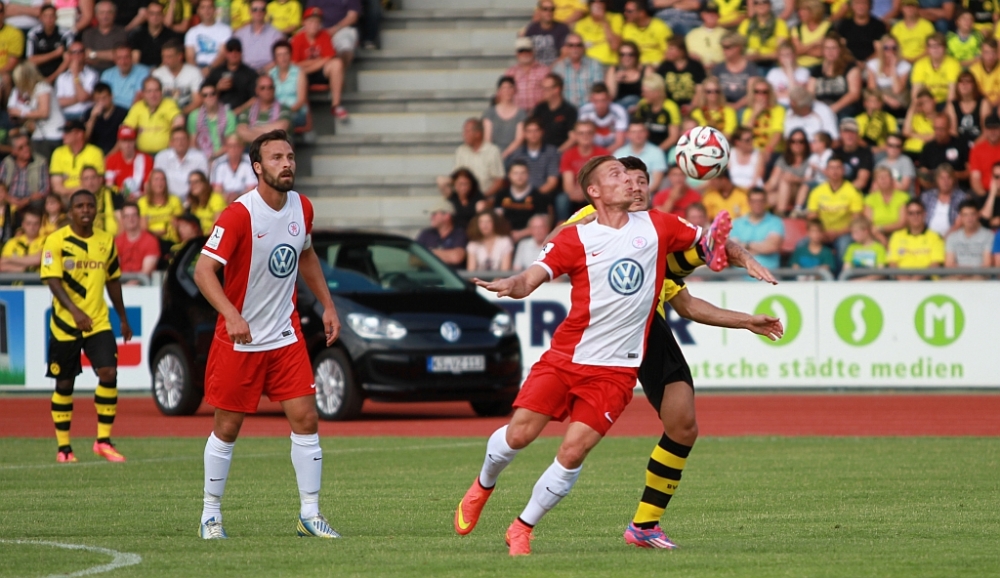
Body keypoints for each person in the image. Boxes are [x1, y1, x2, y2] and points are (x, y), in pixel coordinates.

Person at [455, 155, 745, 556]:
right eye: (617, 174)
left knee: (573, 452)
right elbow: (531, 277)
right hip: (567, 357)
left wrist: (726, 251)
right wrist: (513, 284)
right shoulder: (575, 237)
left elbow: (708, 245)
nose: (629, 180)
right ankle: (483, 484)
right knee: (519, 434)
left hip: (616, 371)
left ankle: (522, 528)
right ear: (594, 192)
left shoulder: (659, 224)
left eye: (630, 175)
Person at [192, 129, 341, 540]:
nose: (287, 163)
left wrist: (327, 305)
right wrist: (231, 314)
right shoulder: (239, 215)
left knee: (306, 418)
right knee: (227, 428)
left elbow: (306, 255)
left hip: (284, 336)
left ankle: (310, 515)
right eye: (276, 158)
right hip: (240, 341)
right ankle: (210, 515)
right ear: (257, 167)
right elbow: (203, 271)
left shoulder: (302, 207)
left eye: (290, 156)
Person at [41, 189, 131, 464]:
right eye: (79, 206)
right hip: (65, 324)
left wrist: (123, 317)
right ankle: (64, 448)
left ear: (96, 210)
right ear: (70, 211)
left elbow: (113, 280)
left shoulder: (106, 241)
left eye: (90, 205)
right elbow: (53, 280)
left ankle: (103, 441)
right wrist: (74, 311)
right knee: (65, 382)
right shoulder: (56, 240)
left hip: (98, 322)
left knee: (108, 371)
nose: (85, 210)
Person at [290, 7, 347, 120]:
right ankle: (297, 109)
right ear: (304, 23)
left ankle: (336, 105)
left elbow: (330, 58)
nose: (314, 25)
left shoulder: (324, 35)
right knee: (296, 72)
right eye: (311, 21)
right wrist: (319, 61)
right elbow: (294, 64)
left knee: (337, 63)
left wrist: (308, 66)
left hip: (317, 72)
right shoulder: (298, 38)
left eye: (317, 22)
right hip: (302, 75)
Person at [806, 157, 864, 259]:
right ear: (826, 171)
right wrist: (821, 232)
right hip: (822, 232)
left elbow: (856, 221)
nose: (834, 171)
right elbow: (812, 218)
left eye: (838, 168)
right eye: (831, 168)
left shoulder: (853, 192)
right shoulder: (817, 192)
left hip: (844, 233)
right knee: (802, 244)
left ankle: (841, 270)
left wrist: (837, 233)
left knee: (843, 246)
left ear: (843, 170)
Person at [8, 61, 65, 160]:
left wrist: (20, 113)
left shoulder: (42, 87)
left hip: (53, 133)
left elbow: (44, 112)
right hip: (40, 133)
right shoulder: (30, 92)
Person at [558, 120, 609, 220]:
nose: (585, 136)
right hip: (574, 194)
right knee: (562, 199)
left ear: (594, 134)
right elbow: (568, 184)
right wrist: (575, 193)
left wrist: (585, 192)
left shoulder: (603, 154)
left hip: (595, 192)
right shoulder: (568, 154)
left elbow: (604, 181)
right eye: (581, 133)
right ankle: (563, 225)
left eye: (589, 133)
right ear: (575, 135)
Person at [123, 76, 184, 156]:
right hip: (141, 154)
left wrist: (172, 137)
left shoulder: (169, 104)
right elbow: (126, 129)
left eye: (156, 90)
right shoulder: (137, 107)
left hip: (165, 154)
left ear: (161, 92)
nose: (153, 95)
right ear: (143, 93)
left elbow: (179, 120)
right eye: (149, 91)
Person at [494, 161, 551, 243]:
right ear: (509, 175)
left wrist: (520, 234)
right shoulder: (501, 195)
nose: (519, 177)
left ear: (528, 174)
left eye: (523, 173)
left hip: (531, 238)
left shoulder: (538, 196)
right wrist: (507, 234)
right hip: (505, 237)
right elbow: (497, 220)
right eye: (515, 173)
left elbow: (543, 224)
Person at [808, 32, 861, 119]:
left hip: (843, 109)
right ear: (823, 50)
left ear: (840, 49)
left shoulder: (850, 67)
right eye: (827, 48)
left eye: (833, 48)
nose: (830, 52)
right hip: (821, 110)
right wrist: (820, 110)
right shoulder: (817, 70)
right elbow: (810, 94)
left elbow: (854, 94)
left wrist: (832, 109)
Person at [887, 198, 944, 279]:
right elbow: (892, 263)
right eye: (911, 213)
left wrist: (916, 279)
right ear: (906, 216)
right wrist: (902, 278)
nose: (915, 216)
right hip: (901, 280)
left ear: (924, 214)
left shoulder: (935, 237)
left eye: (918, 212)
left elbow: (935, 264)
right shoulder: (896, 236)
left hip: (927, 279)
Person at [50, 120, 104, 202]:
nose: (63, 135)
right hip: (64, 198)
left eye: (68, 132)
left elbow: (97, 183)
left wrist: (75, 194)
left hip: (88, 196)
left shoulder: (95, 153)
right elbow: (57, 187)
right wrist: (74, 193)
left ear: (80, 134)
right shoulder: (58, 153)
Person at [730, 187, 783, 270]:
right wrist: (761, 247)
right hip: (739, 274)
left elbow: (772, 246)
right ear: (748, 202)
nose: (757, 204)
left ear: (766, 202)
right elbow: (733, 249)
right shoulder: (737, 223)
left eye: (760, 201)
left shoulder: (776, 222)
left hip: (768, 274)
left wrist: (746, 245)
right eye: (754, 201)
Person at [451, 118, 506, 200]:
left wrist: (483, 197)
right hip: (464, 198)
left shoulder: (493, 151)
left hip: (485, 198)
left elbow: (499, 180)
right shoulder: (460, 151)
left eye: (467, 131)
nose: (464, 135)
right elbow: (455, 177)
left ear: (478, 134)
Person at [154, 127, 210, 203]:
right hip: (168, 201)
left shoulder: (200, 157)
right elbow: (157, 182)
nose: (180, 142)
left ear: (189, 141)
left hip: (194, 200)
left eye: (183, 139)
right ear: (171, 143)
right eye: (177, 139)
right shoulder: (161, 157)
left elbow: (203, 183)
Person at [549, 33, 605, 109]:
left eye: (578, 45)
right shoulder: (558, 68)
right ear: (566, 47)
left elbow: (598, 90)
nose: (575, 48)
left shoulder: (594, 65)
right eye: (571, 45)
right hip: (566, 110)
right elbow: (554, 93)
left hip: (589, 109)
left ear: (583, 47)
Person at [632, 72, 682, 154]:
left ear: (656, 92)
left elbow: (673, 137)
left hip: (664, 150)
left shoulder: (671, 108)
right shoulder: (642, 105)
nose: (642, 94)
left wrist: (655, 152)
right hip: (644, 147)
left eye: (646, 92)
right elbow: (637, 127)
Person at [204, 38, 258, 113]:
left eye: (237, 50)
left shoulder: (250, 73)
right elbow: (203, 94)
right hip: (218, 112)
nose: (234, 53)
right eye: (230, 50)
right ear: (226, 53)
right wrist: (217, 89)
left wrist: (237, 111)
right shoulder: (216, 72)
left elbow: (255, 98)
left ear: (241, 53)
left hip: (242, 113)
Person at [0, 133, 50, 215]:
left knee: (38, 203)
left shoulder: (41, 162)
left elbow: (45, 189)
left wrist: (27, 200)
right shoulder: (6, 162)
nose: (26, 149)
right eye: (21, 148)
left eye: (27, 145)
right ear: (14, 151)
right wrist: (9, 199)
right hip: (10, 199)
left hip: (31, 201)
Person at [654, 38, 706, 116]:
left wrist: (692, 106)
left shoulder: (695, 66)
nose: (667, 51)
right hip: (670, 106)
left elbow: (699, 89)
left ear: (681, 51)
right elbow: (659, 89)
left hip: (692, 106)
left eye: (671, 49)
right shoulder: (665, 66)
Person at [944, 199, 993, 278]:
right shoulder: (952, 237)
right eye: (965, 215)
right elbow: (949, 264)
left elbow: (987, 264)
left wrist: (968, 272)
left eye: (972, 214)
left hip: (980, 276)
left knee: (977, 279)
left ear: (978, 215)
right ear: (960, 217)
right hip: (957, 276)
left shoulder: (988, 235)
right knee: (944, 282)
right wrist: (963, 273)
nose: (969, 218)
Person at [153, 39, 204, 115]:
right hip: (163, 114)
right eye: (163, 56)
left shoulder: (194, 72)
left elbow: (198, 101)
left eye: (169, 57)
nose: (165, 60)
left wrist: (178, 114)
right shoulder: (157, 74)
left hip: (187, 113)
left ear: (180, 56)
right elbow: (152, 99)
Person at [236, 76, 291, 144]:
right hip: (252, 149)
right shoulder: (247, 111)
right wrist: (270, 134)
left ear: (274, 89)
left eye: (270, 87)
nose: (267, 91)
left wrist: (253, 129)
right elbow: (241, 132)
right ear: (257, 90)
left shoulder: (284, 109)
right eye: (263, 88)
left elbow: (281, 128)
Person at [866, 35, 911, 119]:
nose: (890, 51)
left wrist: (893, 68)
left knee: (898, 105)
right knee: (874, 101)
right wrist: (887, 99)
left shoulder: (905, 65)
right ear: (881, 49)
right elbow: (872, 88)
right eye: (886, 48)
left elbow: (897, 90)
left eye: (894, 48)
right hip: (880, 97)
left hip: (898, 99)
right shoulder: (873, 64)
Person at [305, 0, 362, 68]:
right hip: (319, 26)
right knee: (297, 38)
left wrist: (334, 29)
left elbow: (352, 16)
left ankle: (339, 72)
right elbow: (311, 13)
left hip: (343, 28)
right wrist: (318, 29)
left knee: (346, 47)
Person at [613, 121, 667, 193]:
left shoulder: (657, 152)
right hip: (624, 194)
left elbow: (657, 182)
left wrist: (640, 194)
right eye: (634, 132)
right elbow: (616, 179)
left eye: (641, 131)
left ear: (647, 133)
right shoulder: (619, 153)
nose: (637, 135)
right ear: (628, 134)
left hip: (649, 194)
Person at [188, 81, 236, 160]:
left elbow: (229, 143)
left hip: (224, 156)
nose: (209, 97)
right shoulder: (193, 116)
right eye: (205, 95)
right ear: (201, 97)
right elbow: (193, 143)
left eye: (212, 94)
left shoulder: (229, 115)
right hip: (201, 157)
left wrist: (213, 157)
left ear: (217, 95)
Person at [26, 5, 73, 84]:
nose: (49, 19)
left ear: (56, 17)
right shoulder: (33, 34)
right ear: (41, 18)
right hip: (38, 74)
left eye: (51, 16)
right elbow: (31, 60)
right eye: (45, 16)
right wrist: (55, 54)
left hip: (60, 75)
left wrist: (52, 78)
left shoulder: (65, 34)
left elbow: (68, 59)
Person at [917, 115, 968, 188]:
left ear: (949, 128)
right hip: (934, 188)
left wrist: (951, 175)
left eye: (941, 129)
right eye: (936, 129)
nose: (938, 132)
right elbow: (923, 174)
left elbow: (969, 172)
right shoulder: (928, 147)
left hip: (958, 188)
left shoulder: (961, 145)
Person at [910, 33, 961, 107]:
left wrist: (947, 110)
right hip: (926, 103)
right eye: (932, 46)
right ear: (927, 49)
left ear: (945, 48)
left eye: (939, 45)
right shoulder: (920, 64)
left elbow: (952, 94)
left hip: (946, 101)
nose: (936, 49)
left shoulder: (953, 64)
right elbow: (915, 93)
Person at [712, 32, 759, 110]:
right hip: (722, 106)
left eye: (727, 47)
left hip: (744, 107)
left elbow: (752, 93)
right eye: (723, 47)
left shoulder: (750, 68)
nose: (724, 50)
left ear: (738, 47)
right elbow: (711, 90)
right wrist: (726, 105)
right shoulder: (719, 68)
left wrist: (737, 105)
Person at [128, 0, 182, 68]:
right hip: (142, 71)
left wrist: (157, 71)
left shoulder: (171, 36)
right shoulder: (137, 35)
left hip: (164, 70)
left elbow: (170, 59)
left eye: (158, 13)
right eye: (152, 13)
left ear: (163, 15)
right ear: (147, 15)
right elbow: (135, 60)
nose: (155, 17)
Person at [483, 76, 527, 161]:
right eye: (504, 88)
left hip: (515, 154)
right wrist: (495, 155)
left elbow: (519, 139)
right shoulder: (490, 112)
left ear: (515, 90)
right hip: (493, 154)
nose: (507, 91)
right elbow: (488, 138)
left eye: (510, 87)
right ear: (499, 91)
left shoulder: (521, 113)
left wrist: (505, 154)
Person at [531, 73, 578, 151]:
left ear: (557, 90)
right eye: (542, 88)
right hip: (540, 152)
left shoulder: (569, 110)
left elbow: (573, 138)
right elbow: (531, 130)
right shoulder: (539, 109)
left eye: (546, 89)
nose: (543, 91)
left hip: (561, 152)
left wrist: (557, 153)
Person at [766, 128, 809, 213]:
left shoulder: (811, 160)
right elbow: (772, 182)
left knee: (784, 181)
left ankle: (780, 214)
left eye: (801, 141)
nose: (797, 144)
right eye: (793, 141)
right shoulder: (783, 159)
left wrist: (795, 179)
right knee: (766, 198)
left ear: (805, 143)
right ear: (789, 144)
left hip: (801, 193)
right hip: (783, 193)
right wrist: (758, 192)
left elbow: (814, 180)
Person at [416, 200, 467, 269]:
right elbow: (413, 259)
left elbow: (456, 257)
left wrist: (428, 252)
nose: (431, 217)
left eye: (434, 214)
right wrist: (447, 255)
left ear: (447, 216)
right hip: (427, 275)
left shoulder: (459, 233)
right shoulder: (426, 234)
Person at [234, 0, 284, 71]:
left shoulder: (276, 34)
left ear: (266, 12)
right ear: (250, 12)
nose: (258, 12)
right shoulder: (240, 34)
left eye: (262, 9)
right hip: (244, 72)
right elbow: (234, 56)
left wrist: (262, 71)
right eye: (255, 9)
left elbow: (280, 58)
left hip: (268, 72)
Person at [919, 164, 967, 238]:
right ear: (937, 180)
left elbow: (959, 224)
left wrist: (944, 239)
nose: (945, 181)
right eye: (942, 178)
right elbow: (919, 219)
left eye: (949, 178)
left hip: (952, 238)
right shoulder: (926, 196)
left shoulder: (962, 197)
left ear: (953, 179)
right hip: (926, 238)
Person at [113, 201, 161, 276]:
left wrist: (130, 283)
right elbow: (114, 270)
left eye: (134, 215)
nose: (130, 219)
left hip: (144, 282)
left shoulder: (151, 241)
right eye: (126, 216)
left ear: (139, 217)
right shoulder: (117, 241)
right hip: (121, 281)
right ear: (122, 219)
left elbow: (145, 273)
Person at [738, 0, 788, 69]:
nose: (760, 5)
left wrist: (761, 57)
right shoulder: (746, 24)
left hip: (771, 63)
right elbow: (739, 46)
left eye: (764, 2)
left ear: (770, 5)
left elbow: (780, 51)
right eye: (756, 3)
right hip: (749, 62)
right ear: (754, 6)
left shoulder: (779, 24)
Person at [54, 40, 97, 122]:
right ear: (69, 55)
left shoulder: (92, 75)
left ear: (84, 54)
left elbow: (83, 97)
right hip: (65, 116)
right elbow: (59, 102)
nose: (77, 55)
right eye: (74, 52)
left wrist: (75, 74)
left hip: (84, 115)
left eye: (80, 51)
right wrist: (80, 97)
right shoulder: (62, 77)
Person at [741, 79, 784, 158]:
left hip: (772, 152)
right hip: (752, 152)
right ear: (753, 94)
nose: (761, 95)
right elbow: (744, 134)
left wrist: (767, 151)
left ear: (769, 94)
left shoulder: (778, 110)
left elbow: (777, 133)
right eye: (757, 92)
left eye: (764, 92)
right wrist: (755, 114)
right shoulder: (748, 111)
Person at [185, 0, 232, 74]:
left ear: (215, 10)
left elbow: (223, 54)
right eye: (203, 7)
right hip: (197, 69)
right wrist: (198, 72)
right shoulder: (192, 32)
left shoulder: (225, 30)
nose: (206, 10)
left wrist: (210, 69)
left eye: (209, 7)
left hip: (218, 68)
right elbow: (189, 57)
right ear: (198, 11)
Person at [865, 166, 909, 244]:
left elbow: (902, 223)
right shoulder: (870, 199)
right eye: (880, 177)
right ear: (875, 182)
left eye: (886, 176)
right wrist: (880, 237)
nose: (883, 179)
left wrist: (881, 228)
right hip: (876, 235)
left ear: (892, 179)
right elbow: (868, 224)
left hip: (899, 234)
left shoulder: (903, 197)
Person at [948, 71, 990, 151]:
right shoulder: (952, 105)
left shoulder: (983, 103)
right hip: (959, 146)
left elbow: (986, 131)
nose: (964, 85)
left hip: (980, 144)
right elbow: (953, 132)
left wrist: (973, 146)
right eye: (961, 82)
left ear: (974, 85)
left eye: (968, 82)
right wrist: (962, 148)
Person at [573, 0, 623, 67]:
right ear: (589, 4)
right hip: (588, 65)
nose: (597, 4)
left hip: (608, 64)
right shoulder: (580, 24)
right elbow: (576, 51)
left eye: (601, 1)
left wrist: (604, 20)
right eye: (594, 1)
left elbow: (615, 46)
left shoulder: (616, 18)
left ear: (605, 3)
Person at [80, 1, 127, 73]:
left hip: (116, 71)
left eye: (109, 12)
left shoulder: (121, 32)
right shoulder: (88, 33)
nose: (105, 16)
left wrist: (94, 54)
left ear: (114, 14)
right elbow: (86, 57)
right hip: (92, 71)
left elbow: (119, 56)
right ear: (96, 15)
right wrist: (108, 55)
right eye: (102, 13)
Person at [505, 38, 549, 114]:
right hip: (517, 114)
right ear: (516, 54)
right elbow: (505, 93)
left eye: (528, 51)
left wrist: (536, 110)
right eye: (521, 51)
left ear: (533, 52)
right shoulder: (510, 72)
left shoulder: (544, 71)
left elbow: (548, 92)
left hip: (539, 113)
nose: (525, 54)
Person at [82, 83, 128, 155]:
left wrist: (109, 157)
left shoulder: (123, 113)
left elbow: (123, 139)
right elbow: (85, 139)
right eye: (98, 99)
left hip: (116, 153)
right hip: (94, 153)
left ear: (111, 96)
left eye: (104, 98)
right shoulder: (89, 113)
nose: (101, 102)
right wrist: (93, 118)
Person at [521, 0, 570, 67]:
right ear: (539, 11)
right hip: (535, 68)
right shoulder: (532, 29)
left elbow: (565, 54)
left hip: (556, 68)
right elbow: (526, 53)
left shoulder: (562, 29)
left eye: (551, 9)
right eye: (545, 9)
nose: (548, 12)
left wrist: (551, 68)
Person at [621, 1, 671, 66]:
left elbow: (668, 51)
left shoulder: (659, 27)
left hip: (656, 64)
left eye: (629, 11)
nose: (625, 13)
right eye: (625, 11)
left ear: (641, 13)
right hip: (634, 66)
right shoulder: (627, 27)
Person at [210, 134, 256, 202]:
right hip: (224, 200)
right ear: (225, 148)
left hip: (246, 199)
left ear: (242, 147)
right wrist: (227, 197)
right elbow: (216, 189)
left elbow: (252, 188)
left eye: (236, 146)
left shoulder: (250, 162)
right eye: (230, 146)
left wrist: (237, 197)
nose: (233, 149)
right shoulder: (218, 163)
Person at [79, 164, 121, 236]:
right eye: (86, 178)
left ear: (100, 179)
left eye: (93, 177)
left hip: (112, 237)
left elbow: (121, 221)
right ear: (81, 182)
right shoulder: (77, 199)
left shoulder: (112, 193)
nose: (90, 182)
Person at [690, 76, 737, 140]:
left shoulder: (729, 111)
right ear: (703, 93)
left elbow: (728, 134)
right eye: (709, 91)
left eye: (716, 91)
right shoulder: (697, 113)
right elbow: (699, 135)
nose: (713, 94)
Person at [833, 118, 873, 192]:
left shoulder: (865, 153)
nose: (849, 135)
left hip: (857, 193)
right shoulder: (835, 152)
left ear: (858, 135)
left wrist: (842, 192)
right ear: (840, 134)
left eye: (853, 132)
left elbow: (861, 182)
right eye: (846, 132)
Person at [0, 207, 44, 272]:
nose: (32, 227)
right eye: (28, 223)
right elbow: (2, 265)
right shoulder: (13, 242)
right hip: (15, 278)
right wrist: (25, 269)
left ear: (40, 225)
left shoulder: (46, 241)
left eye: (36, 224)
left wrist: (9, 260)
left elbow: (38, 259)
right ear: (23, 224)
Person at [767, 41, 809, 108]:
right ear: (779, 57)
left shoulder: (803, 72)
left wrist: (789, 70)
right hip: (777, 106)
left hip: (796, 107)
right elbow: (769, 95)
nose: (785, 58)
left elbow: (796, 95)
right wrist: (788, 93)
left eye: (788, 54)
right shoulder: (773, 72)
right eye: (782, 55)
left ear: (794, 55)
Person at [855, 89, 898, 154]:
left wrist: (879, 149)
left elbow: (893, 138)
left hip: (884, 151)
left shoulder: (889, 118)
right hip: (864, 150)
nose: (875, 104)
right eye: (872, 101)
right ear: (865, 103)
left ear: (882, 103)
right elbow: (856, 139)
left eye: (878, 101)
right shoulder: (858, 119)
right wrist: (870, 149)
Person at [685, 1, 726, 68]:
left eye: (714, 13)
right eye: (708, 13)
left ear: (719, 16)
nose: (711, 16)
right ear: (702, 15)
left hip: (720, 68)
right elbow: (689, 54)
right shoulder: (692, 34)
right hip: (698, 68)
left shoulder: (726, 34)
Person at [968, 114, 1000, 198]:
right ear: (985, 130)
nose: (992, 132)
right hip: (984, 193)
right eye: (989, 128)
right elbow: (975, 179)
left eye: (995, 128)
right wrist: (985, 197)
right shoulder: (977, 149)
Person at [185, 169, 226, 234]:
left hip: (215, 236)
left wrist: (205, 238)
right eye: (190, 182)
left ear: (204, 183)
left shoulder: (216, 198)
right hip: (200, 237)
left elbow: (218, 224)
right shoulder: (194, 202)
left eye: (196, 182)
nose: (192, 185)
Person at [790, 0, 829, 69]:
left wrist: (803, 49)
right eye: (798, 10)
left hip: (819, 67)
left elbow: (822, 53)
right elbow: (796, 51)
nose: (799, 13)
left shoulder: (827, 27)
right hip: (799, 67)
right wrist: (815, 43)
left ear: (814, 10)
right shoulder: (797, 29)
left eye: (803, 10)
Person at [728, 127, 765, 192]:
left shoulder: (758, 155)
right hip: (733, 191)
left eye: (752, 138)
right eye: (747, 140)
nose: (751, 142)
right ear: (737, 142)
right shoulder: (730, 154)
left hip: (752, 190)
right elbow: (727, 178)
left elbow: (758, 178)